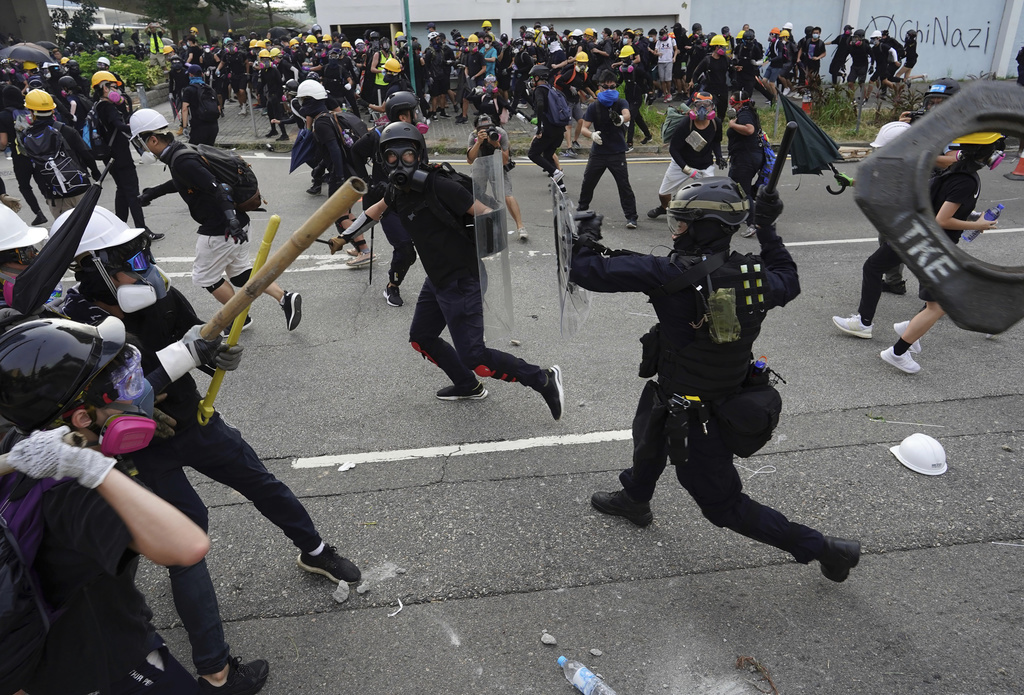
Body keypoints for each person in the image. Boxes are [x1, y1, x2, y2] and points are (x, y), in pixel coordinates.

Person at [53, 205, 360, 689]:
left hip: (194, 421)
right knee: (188, 541)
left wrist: (212, 353)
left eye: (139, 253)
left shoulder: (157, 293)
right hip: (139, 446)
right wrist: (179, 359)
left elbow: (199, 333)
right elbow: (106, 402)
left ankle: (315, 549)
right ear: (93, 269)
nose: (140, 266)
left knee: (262, 482)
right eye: (124, 258)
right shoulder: (72, 329)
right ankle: (215, 672)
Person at [570, 178, 861, 583]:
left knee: (722, 506)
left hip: (699, 417)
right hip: (712, 391)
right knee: (651, 427)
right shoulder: (757, 275)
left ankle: (824, 548)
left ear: (706, 226)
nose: (677, 230)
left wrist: (584, 234)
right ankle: (635, 497)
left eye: (685, 222)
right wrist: (768, 227)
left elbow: (586, 270)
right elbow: (788, 277)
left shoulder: (667, 273)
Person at [0, 315, 210, 694]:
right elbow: (188, 546)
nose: (139, 391)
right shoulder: (75, 492)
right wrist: (89, 466)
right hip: (98, 662)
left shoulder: (21, 441)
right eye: (126, 383)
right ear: (81, 418)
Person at [342, 122, 566, 416]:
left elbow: (488, 215)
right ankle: (466, 385)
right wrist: (344, 236)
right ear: (384, 159)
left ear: (418, 154)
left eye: (406, 155)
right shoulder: (398, 190)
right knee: (422, 337)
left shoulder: (440, 185)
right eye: (392, 157)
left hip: (462, 280)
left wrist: (474, 250)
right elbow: (377, 210)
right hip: (437, 279)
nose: (400, 163)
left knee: (476, 356)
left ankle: (543, 378)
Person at [833, 134, 1003, 372]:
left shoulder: (952, 170)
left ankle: (886, 326)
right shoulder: (967, 181)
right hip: (933, 245)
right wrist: (978, 225)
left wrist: (971, 218)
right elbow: (942, 219)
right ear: (987, 155)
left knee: (880, 271)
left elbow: (938, 205)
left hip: (912, 235)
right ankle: (897, 351)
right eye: (995, 149)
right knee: (938, 304)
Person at [129, 109, 302, 327]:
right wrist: (152, 192)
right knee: (240, 275)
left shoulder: (182, 160)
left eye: (140, 144)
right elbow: (186, 181)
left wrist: (230, 220)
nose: (141, 150)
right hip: (237, 224)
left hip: (222, 229)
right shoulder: (181, 151)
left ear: (153, 139)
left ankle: (237, 318)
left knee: (205, 277)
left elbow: (220, 188)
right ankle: (286, 298)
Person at [347, 91, 422, 306]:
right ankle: (393, 286)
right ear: (402, 115)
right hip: (386, 203)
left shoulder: (415, 136)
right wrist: (368, 182)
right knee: (405, 249)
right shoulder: (376, 136)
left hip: (412, 199)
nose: (416, 115)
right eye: (412, 112)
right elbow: (355, 153)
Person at [91, 70, 157, 240]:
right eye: (113, 87)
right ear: (104, 88)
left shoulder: (98, 105)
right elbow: (119, 126)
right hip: (120, 155)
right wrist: (140, 127)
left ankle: (119, 228)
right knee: (132, 192)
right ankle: (142, 231)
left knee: (122, 191)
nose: (117, 91)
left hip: (110, 155)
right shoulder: (107, 107)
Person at [17, 88, 100, 220]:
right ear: (52, 110)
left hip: (54, 194)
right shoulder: (66, 130)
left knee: (67, 234)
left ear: (31, 112)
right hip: (80, 187)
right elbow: (86, 154)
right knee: (90, 227)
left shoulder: (26, 137)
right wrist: (95, 172)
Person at [577, 70, 637, 229]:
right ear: (599, 87)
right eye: (606, 87)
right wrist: (592, 135)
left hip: (617, 152)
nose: (610, 90)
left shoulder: (620, 102)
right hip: (599, 152)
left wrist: (621, 119)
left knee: (624, 185)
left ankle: (631, 217)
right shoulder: (594, 107)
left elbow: (628, 114)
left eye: (613, 87)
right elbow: (584, 128)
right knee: (588, 182)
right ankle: (581, 210)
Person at [648, 91, 717, 219]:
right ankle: (665, 208)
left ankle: (704, 216)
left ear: (712, 107)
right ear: (693, 106)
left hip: (704, 164)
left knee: (710, 194)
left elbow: (716, 142)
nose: (702, 108)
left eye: (706, 104)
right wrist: (686, 169)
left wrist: (719, 157)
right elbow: (673, 149)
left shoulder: (715, 123)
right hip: (682, 163)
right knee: (663, 193)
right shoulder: (685, 124)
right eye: (698, 104)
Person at [467, 112, 527, 240]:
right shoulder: (473, 136)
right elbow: (470, 160)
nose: (486, 132)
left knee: (507, 195)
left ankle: (520, 227)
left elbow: (505, 160)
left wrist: (496, 145)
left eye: (489, 128)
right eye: (482, 130)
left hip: (497, 163)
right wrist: (478, 143)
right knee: (475, 195)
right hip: (480, 164)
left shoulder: (501, 133)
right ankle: (477, 228)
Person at [0, 85, 48, 226]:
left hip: (20, 156)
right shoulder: (29, 112)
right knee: (42, 182)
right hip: (37, 153)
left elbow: (2, 142)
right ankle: (53, 205)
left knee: (25, 186)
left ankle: (38, 213)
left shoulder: (3, 116)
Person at [725, 90, 764, 237]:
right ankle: (743, 214)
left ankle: (753, 223)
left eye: (733, 103)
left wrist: (732, 125)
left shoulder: (744, 113)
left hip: (745, 159)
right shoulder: (747, 112)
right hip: (747, 157)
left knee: (742, 190)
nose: (731, 105)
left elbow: (749, 130)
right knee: (734, 186)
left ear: (740, 103)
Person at [526, 64, 568, 192]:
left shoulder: (540, 90)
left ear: (538, 77)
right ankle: (561, 187)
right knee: (548, 155)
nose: (532, 80)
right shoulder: (552, 89)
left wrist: (539, 128)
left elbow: (539, 105)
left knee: (533, 154)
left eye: (534, 78)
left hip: (548, 130)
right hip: (559, 130)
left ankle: (555, 172)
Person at [180, 63, 220, 146]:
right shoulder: (210, 88)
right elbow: (218, 108)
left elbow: (184, 109)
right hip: (214, 126)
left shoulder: (189, 90)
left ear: (190, 75)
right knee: (209, 152)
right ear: (202, 74)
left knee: (195, 152)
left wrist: (184, 126)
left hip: (199, 126)